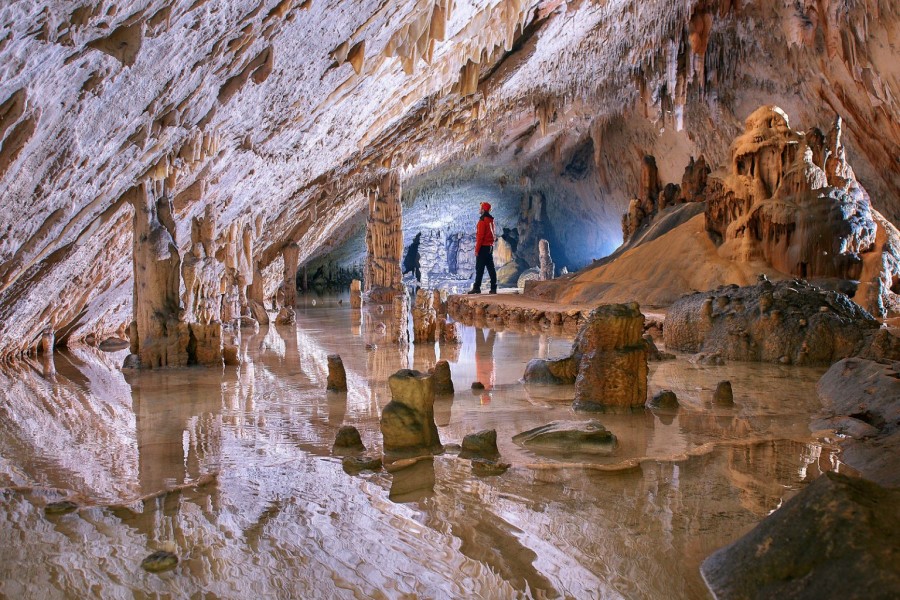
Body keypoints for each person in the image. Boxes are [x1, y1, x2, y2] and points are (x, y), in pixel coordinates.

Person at [468, 201, 497, 294]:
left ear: (483, 210)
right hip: (490, 247)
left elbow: (480, 237)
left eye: (480, 208)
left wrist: (477, 250)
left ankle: (477, 287)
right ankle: (493, 288)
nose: (479, 209)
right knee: (491, 268)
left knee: (479, 268)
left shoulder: (482, 221)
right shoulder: (491, 220)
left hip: (483, 247)